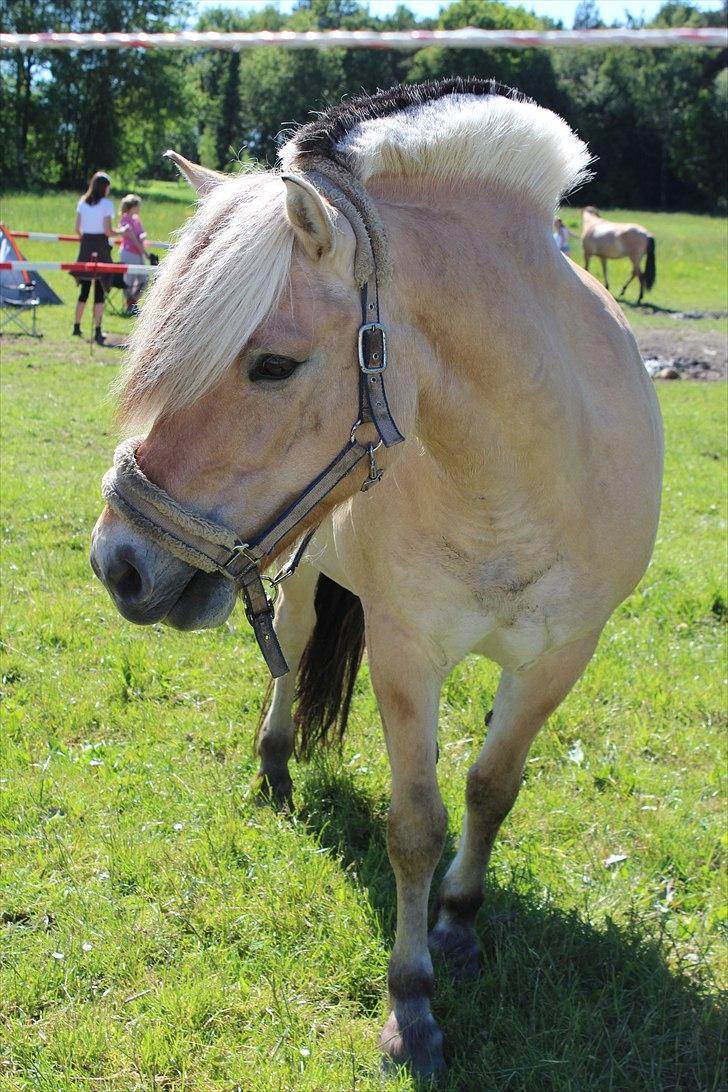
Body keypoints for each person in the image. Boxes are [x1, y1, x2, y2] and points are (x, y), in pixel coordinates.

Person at [72, 171, 114, 344]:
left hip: (86, 244)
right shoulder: (107, 204)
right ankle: (97, 330)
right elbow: (107, 231)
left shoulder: (82, 202)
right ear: (104, 188)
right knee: (99, 291)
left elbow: (77, 228)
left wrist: (86, 239)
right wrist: (122, 232)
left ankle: (76, 325)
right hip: (101, 244)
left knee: (84, 290)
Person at [116, 194, 148, 314]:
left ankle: (133, 303)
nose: (139, 209)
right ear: (133, 207)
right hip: (129, 253)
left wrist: (143, 236)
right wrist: (144, 253)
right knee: (129, 281)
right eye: (138, 206)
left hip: (138, 253)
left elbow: (141, 233)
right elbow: (133, 239)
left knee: (144, 280)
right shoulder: (125, 220)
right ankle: (130, 305)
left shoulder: (136, 219)